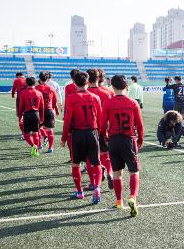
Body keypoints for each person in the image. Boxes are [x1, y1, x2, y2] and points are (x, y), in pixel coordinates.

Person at [100, 75, 144, 217]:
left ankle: (119, 201)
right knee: (134, 171)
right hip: (128, 140)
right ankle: (132, 197)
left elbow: (102, 125)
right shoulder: (132, 103)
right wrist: (140, 140)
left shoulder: (108, 103)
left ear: (112, 87)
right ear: (126, 87)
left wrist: (106, 138)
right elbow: (139, 125)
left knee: (117, 173)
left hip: (113, 140)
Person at [61, 72, 103, 204]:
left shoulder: (71, 98)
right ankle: (96, 187)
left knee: (76, 164)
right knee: (95, 163)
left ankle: (79, 192)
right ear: (87, 82)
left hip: (77, 134)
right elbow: (100, 118)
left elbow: (67, 120)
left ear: (74, 83)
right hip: (92, 133)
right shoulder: (95, 97)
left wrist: (63, 137)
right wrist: (99, 133)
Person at [87, 69, 113, 190]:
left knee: (90, 156)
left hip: (89, 128)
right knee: (105, 152)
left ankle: (93, 182)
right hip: (105, 127)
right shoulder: (107, 92)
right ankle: (109, 172)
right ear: (99, 78)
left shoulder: (84, 93)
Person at [19, 77, 44, 156]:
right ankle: (36, 149)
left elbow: (21, 106)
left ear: (26, 83)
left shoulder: (23, 93)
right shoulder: (39, 93)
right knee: (35, 133)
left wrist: (20, 117)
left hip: (27, 114)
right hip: (36, 114)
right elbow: (42, 107)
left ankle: (33, 146)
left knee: (26, 134)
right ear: (35, 83)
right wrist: (42, 118)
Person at [35, 72, 59, 153]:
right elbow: (55, 101)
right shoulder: (51, 88)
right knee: (50, 130)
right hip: (49, 111)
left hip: (39, 111)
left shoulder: (36, 88)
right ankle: (50, 147)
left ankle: (39, 145)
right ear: (47, 79)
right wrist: (55, 110)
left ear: (39, 78)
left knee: (37, 130)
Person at [12, 72, 27, 137]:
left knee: (20, 117)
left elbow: (13, 89)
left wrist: (12, 95)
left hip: (20, 100)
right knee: (28, 116)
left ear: (18, 76)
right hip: (28, 100)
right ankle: (29, 132)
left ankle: (23, 133)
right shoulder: (27, 80)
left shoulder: (17, 80)